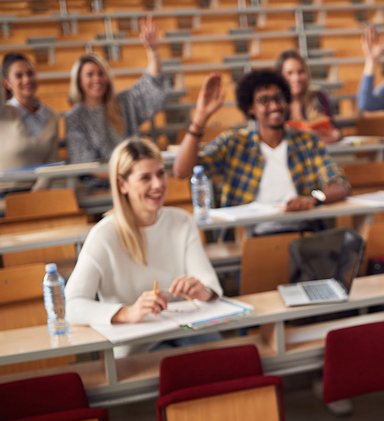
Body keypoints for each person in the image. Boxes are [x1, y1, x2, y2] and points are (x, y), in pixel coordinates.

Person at [66, 137, 222, 357]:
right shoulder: (104, 235)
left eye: (160, 173)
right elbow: (72, 306)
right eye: (145, 178)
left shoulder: (181, 222)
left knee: (225, 356)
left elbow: (212, 287)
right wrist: (127, 313)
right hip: (137, 344)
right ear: (122, 184)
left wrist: (202, 291)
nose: (157, 185)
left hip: (184, 332)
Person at [172, 69, 349, 233]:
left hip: (304, 234)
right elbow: (182, 171)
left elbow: (339, 185)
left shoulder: (307, 142)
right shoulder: (234, 143)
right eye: (264, 100)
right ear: (250, 108)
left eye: (278, 98)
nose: (274, 106)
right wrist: (201, 117)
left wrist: (313, 199)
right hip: (252, 237)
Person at [65, 16, 169, 164]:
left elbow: (152, 83)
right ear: (79, 81)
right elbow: (84, 163)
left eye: (101, 73)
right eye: (90, 75)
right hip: (100, 183)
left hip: (133, 175)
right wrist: (121, 176)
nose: (97, 79)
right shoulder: (75, 117)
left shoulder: (123, 102)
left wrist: (153, 51)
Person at [1, 52, 59, 192]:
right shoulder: (3, 114)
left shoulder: (51, 115)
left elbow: (51, 160)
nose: (27, 80)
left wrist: (36, 193)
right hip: (4, 195)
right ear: (7, 83)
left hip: (39, 194)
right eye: (19, 76)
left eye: (30, 73)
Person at [276, 50, 340, 144]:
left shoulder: (319, 97)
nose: (296, 78)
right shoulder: (274, 103)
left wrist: (334, 135)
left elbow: (333, 128)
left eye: (300, 72)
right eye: (290, 73)